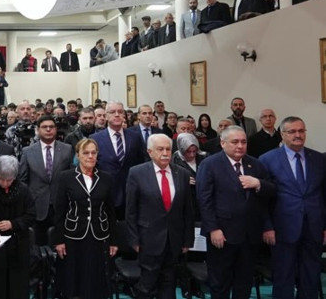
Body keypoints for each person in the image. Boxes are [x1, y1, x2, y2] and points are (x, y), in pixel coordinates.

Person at [196, 126, 275, 299]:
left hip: (250, 235)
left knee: (244, 281)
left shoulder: (255, 164)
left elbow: (271, 192)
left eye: (243, 142)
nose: (240, 146)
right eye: (235, 142)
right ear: (223, 143)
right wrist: (213, 228)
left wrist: (258, 184)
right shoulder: (210, 164)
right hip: (222, 234)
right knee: (220, 282)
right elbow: (204, 199)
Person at [259, 117, 325, 299]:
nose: (298, 135)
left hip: (313, 227)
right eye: (292, 131)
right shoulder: (267, 159)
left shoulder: (318, 158)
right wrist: (267, 226)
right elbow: (261, 200)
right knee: (283, 275)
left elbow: (323, 194)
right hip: (282, 228)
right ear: (282, 134)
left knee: (311, 275)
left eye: (301, 131)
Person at [125, 134, 194, 299]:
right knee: (147, 285)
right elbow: (131, 210)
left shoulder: (183, 174)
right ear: (150, 152)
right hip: (148, 239)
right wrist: (134, 240)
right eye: (160, 149)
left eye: (168, 149)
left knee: (169, 283)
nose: (165, 153)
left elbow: (188, 211)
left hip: (174, 240)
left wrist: (187, 240)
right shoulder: (137, 173)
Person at [53, 138, 117, 299]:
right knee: (74, 276)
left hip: (99, 234)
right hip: (73, 234)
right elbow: (59, 211)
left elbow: (111, 212)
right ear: (78, 155)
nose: (90, 156)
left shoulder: (106, 178)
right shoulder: (66, 177)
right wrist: (59, 240)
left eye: (93, 153)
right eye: (86, 153)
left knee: (95, 277)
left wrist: (114, 241)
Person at [0, 155, 36, 299]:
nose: (5, 183)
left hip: (18, 246)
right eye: (1, 179)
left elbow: (31, 215)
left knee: (17, 287)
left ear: (15, 177)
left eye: (9, 180)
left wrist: (12, 224)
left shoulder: (24, 191)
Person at [18, 115, 74, 245]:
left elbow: (72, 177)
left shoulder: (67, 149)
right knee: (38, 246)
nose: (48, 130)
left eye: (51, 127)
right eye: (44, 127)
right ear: (38, 130)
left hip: (61, 206)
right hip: (37, 207)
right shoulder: (28, 151)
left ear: (56, 129)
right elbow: (23, 181)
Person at [91, 101, 146, 218]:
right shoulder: (95, 139)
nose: (117, 115)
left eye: (120, 112)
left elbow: (141, 163)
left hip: (130, 193)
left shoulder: (135, 137)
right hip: (106, 194)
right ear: (106, 116)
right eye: (112, 112)